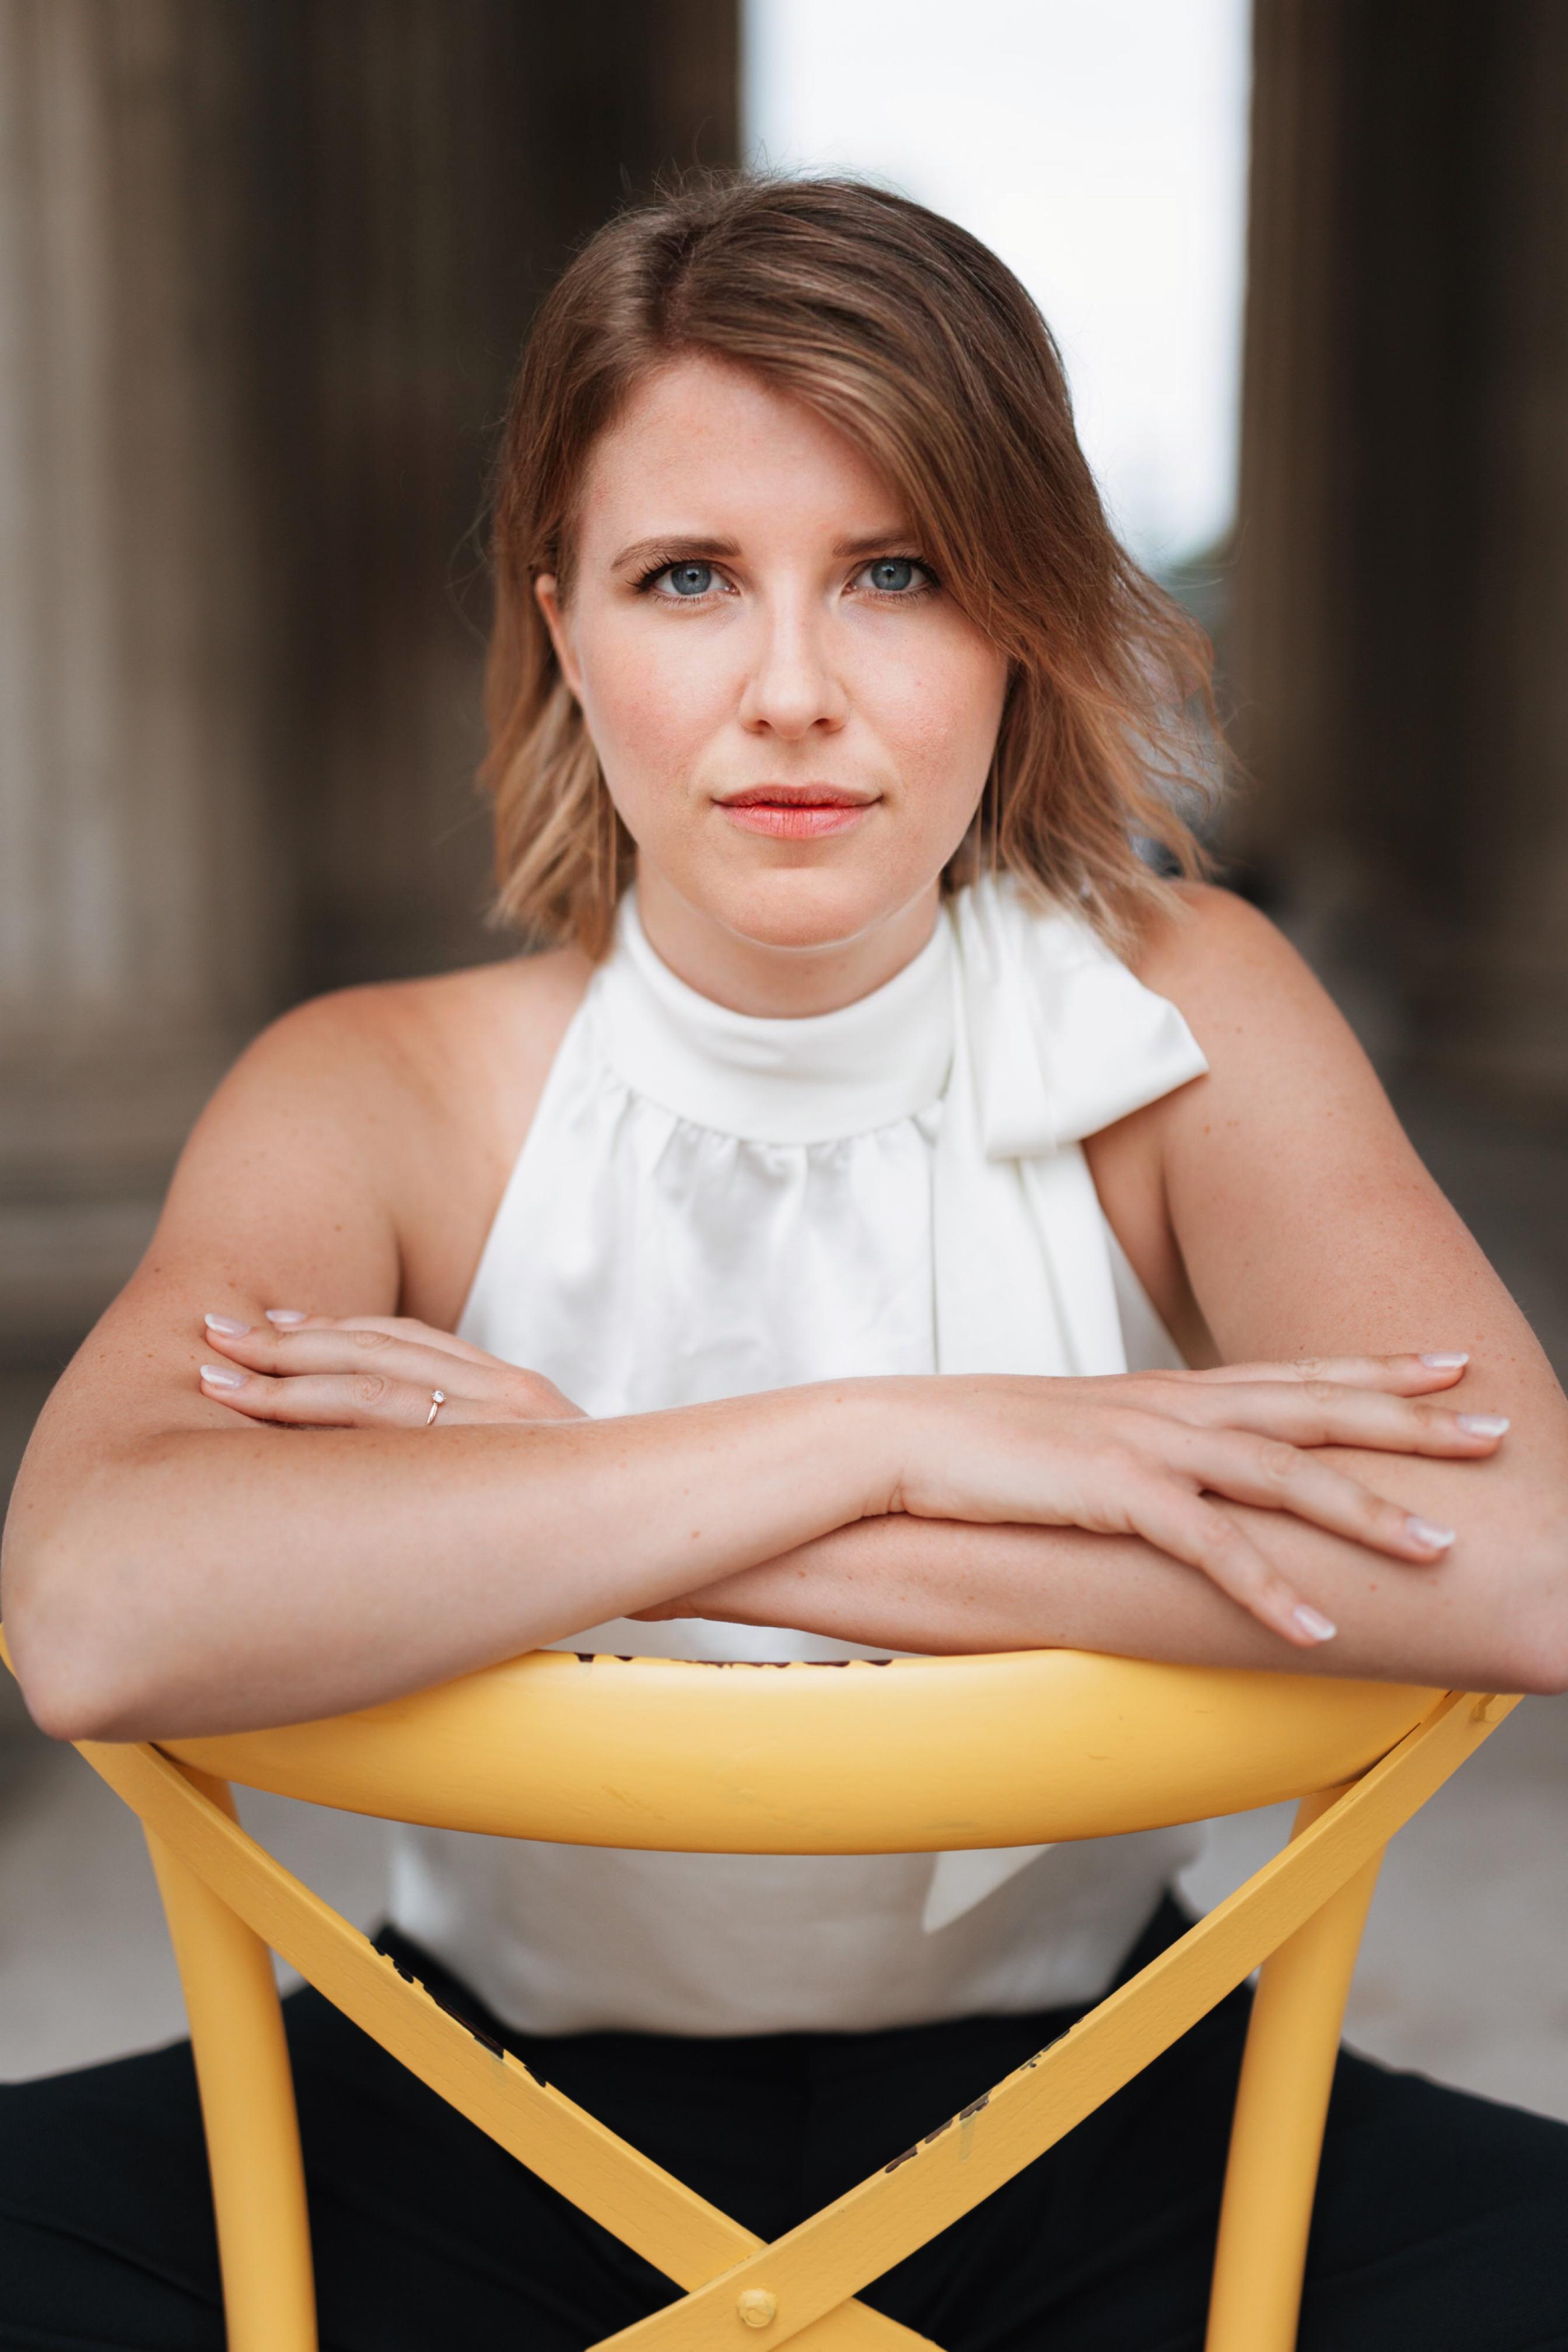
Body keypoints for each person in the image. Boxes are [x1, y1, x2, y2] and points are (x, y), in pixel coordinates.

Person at [2, 173, 1566, 2351]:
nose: (795, 692)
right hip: (466, 2111)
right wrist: (907, 1439)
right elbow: (99, 1607)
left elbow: (1520, 1564)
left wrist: (586, 1491)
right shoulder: (378, 1086)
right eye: (688, 579)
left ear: (1019, 615)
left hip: (1109, 2106)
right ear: (566, 628)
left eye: (898, 573)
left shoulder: (1180, 1006)